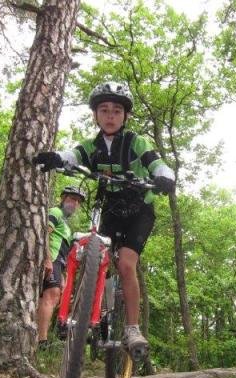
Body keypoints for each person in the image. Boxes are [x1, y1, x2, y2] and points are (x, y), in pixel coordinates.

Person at [33, 81, 175, 360]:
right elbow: (73, 155)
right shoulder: (92, 145)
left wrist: (164, 177)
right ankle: (90, 309)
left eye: (117, 111)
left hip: (139, 210)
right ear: (96, 115)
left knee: (125, 264)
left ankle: (132, 328)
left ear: (125, 116)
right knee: (94, 253)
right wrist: (56, 158)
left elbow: (156, 162)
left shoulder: (135, 141)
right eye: (104, 110)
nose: (110, 116)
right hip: (108, 208)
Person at [36, 186, 85, 350]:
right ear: (63, 198)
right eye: (72, 199)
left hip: (59, 263)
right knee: (51, 295)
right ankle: (41, 341)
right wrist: (47, 259)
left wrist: (63, 274)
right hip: (52, 259)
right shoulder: (55, 212)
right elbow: (44, 234)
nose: (75, 204)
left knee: (56, 298)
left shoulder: (66, 224)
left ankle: (39, 335)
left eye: (78, 202)